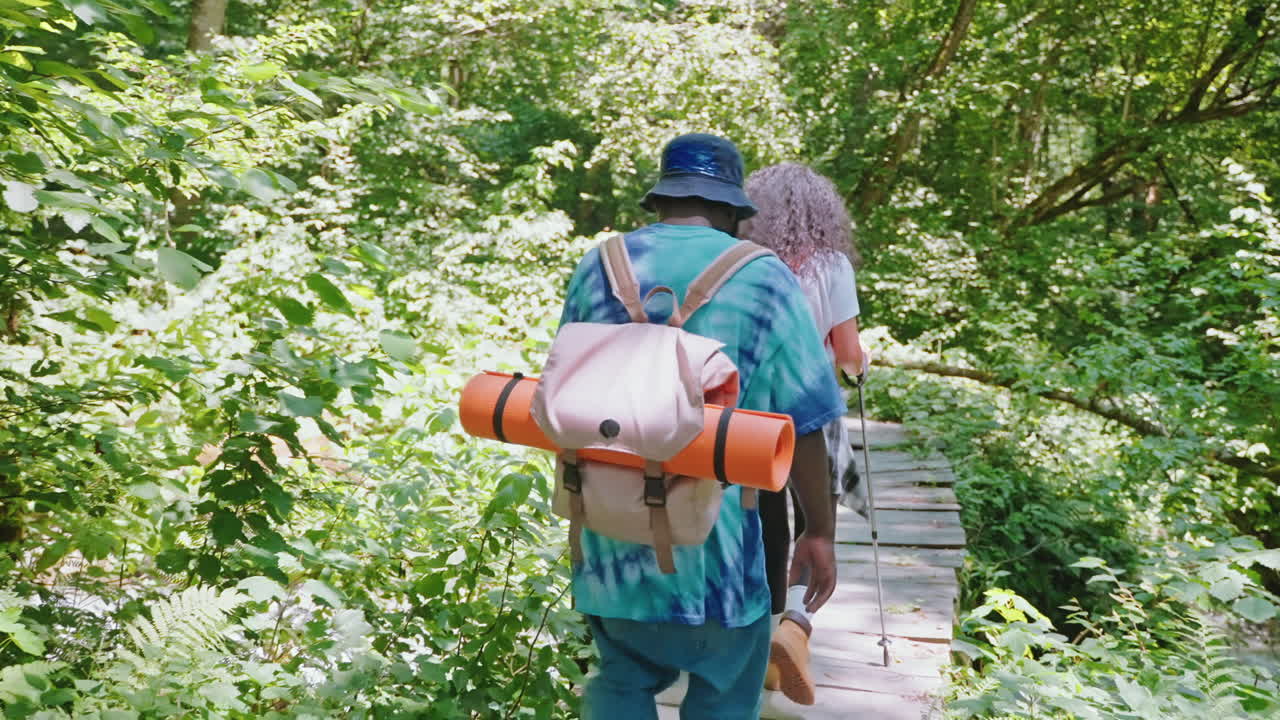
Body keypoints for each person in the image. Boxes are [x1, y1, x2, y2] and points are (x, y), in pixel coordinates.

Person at [557, 134, 843, 720]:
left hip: (610, 544)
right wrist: (819, 529)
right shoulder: (761, 276)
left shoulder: (600, 265)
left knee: (620, 682)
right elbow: (806, 420)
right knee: (723, 693)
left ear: (660, 199)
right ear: (735, 212)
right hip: (717, 554)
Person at [742, 162, 870, 706]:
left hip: (753, 415)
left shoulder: (747, 261)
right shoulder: (832, 265)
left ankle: (760, 627)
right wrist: (861, 364)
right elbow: (847, 353)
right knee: (815, 521)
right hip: (811, 411)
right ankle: (795, 622)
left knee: (765, 513)